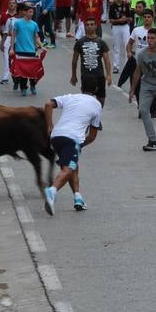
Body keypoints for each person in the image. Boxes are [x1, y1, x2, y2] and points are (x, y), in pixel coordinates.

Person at [42, 82, 103, 214]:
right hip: (72, 139)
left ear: (81, 88)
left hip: (56, 137)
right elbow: (92, 136)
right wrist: (80, 145)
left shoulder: (70, 97)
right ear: (96, 89)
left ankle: (78, 198)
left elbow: (48, 104)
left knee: (72, 165)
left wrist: (49, 126)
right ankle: (52, 191)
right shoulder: (97, 105)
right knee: (68, 168)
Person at [71, 14, 112, 106]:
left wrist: (108, 75)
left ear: (96, 26)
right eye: (87, 24)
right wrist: (73, 75)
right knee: (86, 103)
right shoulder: (80, 42)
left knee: (101, 102)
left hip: (99, 76)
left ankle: (97, 119)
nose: (89, 26)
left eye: (91, 24)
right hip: (86, 76)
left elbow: (107, 60)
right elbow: (74, 61)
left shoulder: (101, 42)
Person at [9, 3, 42, 95]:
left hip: (31, 50)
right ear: (25, 12)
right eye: (30, 12)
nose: (32, 14)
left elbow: (36, 37)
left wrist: (41, 46)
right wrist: (12, 48)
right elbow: (13, 35)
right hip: (20, 50)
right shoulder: (18, 23)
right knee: (23, 71)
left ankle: (33, 86)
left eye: (33, 12)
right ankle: (23, 88)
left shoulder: (34, 24)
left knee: (32, 70)